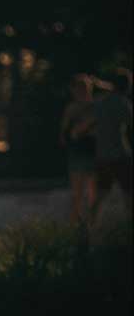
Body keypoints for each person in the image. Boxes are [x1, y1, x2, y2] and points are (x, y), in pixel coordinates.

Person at [91, 67, 133, 216]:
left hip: (102, 154)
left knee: (101, 193)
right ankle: (128, 227)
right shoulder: (123, 103)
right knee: (128, 192)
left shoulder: (100, 102)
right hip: (120, 154)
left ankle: (89, 225)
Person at [60, 73, 100, 225]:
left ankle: (90, 225)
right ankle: (76, 225)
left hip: (92, 151)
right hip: (78, 151)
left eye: (85, 87)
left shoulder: (97, 105)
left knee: (93, 193)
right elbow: (63, 133)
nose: (81, 91)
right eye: (79, 87)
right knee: (77, 193)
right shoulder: (72, 108)